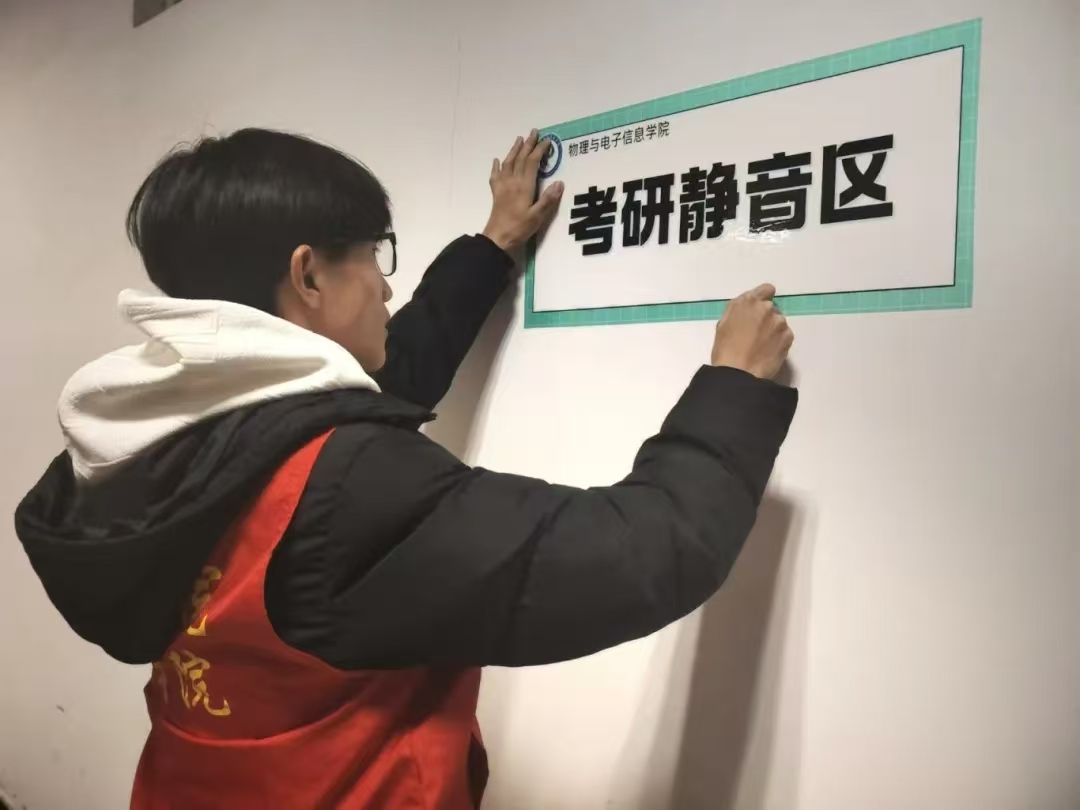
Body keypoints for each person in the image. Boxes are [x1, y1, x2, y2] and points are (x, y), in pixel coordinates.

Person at [14, 127, 797, 809]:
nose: (386, 283)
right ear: (309, 276)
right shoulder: (346, 486)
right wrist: (734, 386)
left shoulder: (149, 441)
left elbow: (386, 376)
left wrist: (490, 248)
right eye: (372, 255)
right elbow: (644, 552)